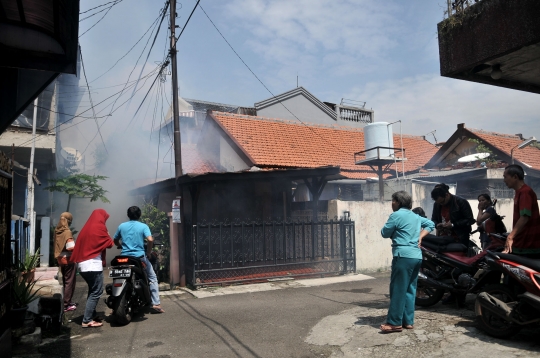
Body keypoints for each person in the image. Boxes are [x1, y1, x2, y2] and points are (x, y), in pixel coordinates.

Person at [379, 191, 435, 333]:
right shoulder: (416, 216)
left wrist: (395, 232)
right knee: (410, 289)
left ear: (398, 202)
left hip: (402, 256)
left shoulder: (396, 215)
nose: (391, 203)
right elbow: (431, 224)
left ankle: (394, 323)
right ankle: (408, 321)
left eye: (393, 200)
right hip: (416, 257)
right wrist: (420, 237)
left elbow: (384, 233)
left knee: (398, 289)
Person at [114, 206, 164, 313]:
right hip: (139, 258)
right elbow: (150, 240)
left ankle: (115, 305)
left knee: (117, 277)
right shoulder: (143, 226)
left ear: (128, 215)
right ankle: (156, 303)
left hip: (124, 257)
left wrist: (120, 245)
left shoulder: (122, 226)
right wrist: (149, 253)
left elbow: (115, 240)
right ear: (140, 215)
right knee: (152, 277)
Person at [70, 209, 114, 328]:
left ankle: (92, 315)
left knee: (92, 289)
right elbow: (110, 244)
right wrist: (108, 233)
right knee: (97, 291)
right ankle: (87, 320)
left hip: (82, 265)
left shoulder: (86, 228)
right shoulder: (100, 228)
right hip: (93, 265)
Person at [502, 164, 540, 258]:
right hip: (522, 242)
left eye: (505, 177)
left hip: (527, 245)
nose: (504, 180)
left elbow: (524, 217)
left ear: (515, 177)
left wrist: (510, 236)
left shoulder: (525, 192)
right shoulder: (519, 192)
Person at [54, 212, 77, 312]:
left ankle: (67, 301)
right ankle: (66, 304)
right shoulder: (67, 232)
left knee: (65, 281)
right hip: (68, 260)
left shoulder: (57, 230)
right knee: (69, 282)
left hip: (60, 259)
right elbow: (71, 247)